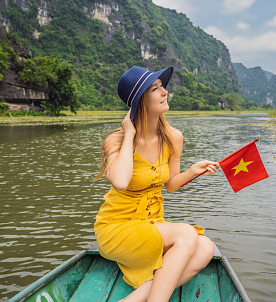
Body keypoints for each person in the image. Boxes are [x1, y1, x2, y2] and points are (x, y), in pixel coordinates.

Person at [93, 66, 220, 302]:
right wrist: (129, 134)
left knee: (205, 247)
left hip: (151, 225)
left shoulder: (174, 137)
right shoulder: (116, 141)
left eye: (163, 86)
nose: (164, 92)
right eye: (155, 88)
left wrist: (193, 172)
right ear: (140, 100)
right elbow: (120, 182)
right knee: (186, 233)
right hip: (117, 229)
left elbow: (170, 184)